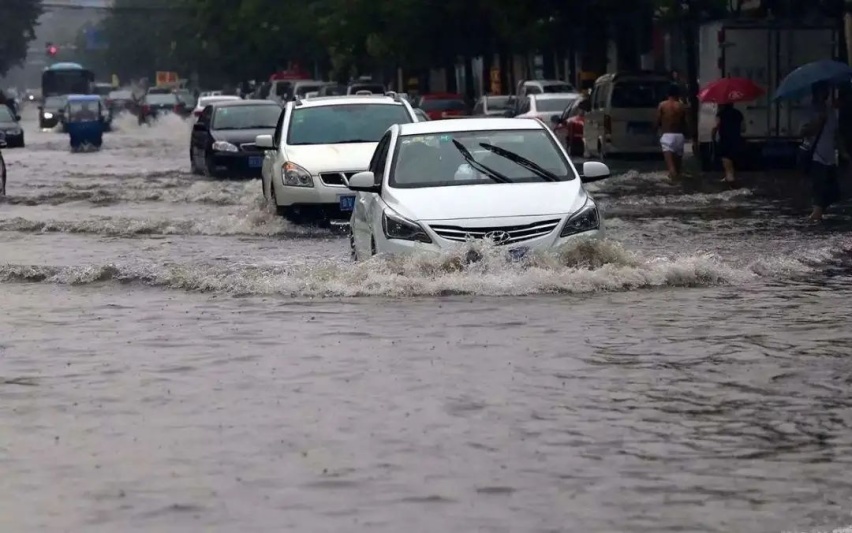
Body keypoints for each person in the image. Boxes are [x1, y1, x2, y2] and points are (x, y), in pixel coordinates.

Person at [800, 81, 845, 223]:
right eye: (822, 90)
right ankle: (815, 216)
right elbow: (803, 131)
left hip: (830, 156)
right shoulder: (810, 110)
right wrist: (818, 122)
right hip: (816, 155)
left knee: (835, 192)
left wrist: (842, 151)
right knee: (820, 188)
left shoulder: (830, 110)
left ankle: (818, 213)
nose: (825, 93)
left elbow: (836, 133)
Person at [657, 83, 688, 179]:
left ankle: (673, 190)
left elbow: (658, 121)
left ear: (667, 94)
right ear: (678, 94)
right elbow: (686, 123)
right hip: (679, 136)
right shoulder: (682, 106)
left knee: (671, 169)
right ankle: (679, 189)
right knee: (678, 170)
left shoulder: (662, 105)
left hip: (667, 136)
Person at [712, 103, 745, 183]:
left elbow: (716, 126)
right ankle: (731, 177)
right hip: (737, 140)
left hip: (725, 140)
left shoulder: (720, 114)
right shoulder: (738, 113)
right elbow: (744, 128)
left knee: (726, 160)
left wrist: (713, 135)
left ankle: (729, 178)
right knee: (734, 159)